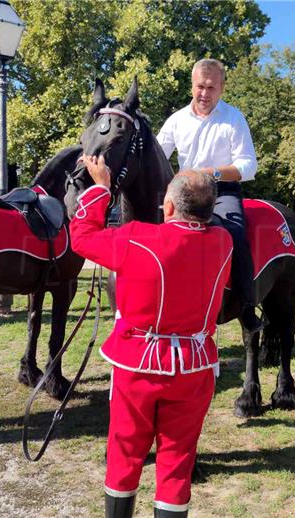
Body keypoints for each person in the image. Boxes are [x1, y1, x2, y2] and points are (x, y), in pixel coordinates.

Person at [70, 155, 233, 518]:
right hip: (194, 368)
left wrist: (100, 188)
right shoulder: (224, 242)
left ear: (170, 206)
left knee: (125, 452)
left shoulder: (138, 239)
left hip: (139, 364)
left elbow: (81, 237)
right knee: (177, 460)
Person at [156, 58, 262, 332]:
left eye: (211, 87)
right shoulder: (176, 120)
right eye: (200, 86)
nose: (204, 93)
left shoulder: (233, 118)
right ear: (192, 85)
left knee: (236, 234)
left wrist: (212, 173)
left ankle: (246, 306)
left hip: (221, 191)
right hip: (182, 192)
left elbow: (249, 166)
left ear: (222, 88)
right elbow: (157, 157)